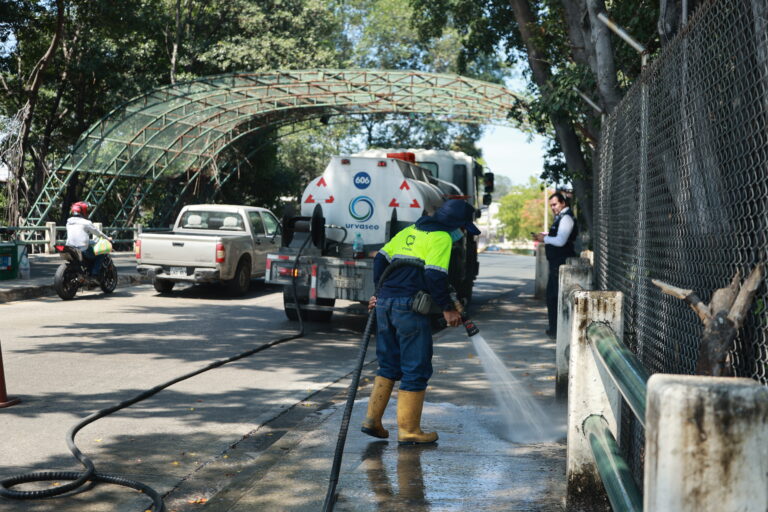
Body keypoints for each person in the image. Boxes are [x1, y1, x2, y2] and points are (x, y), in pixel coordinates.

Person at [362, 199, 480, 445]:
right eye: (463, 229)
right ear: (456, 224)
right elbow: (435, 275)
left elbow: (380, 259)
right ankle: (409, 431)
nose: (462, 235)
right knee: (416, 367)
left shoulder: (410, 231)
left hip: (385, 305)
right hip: (409, 307)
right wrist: (448, 309)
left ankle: (372, 421)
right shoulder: (442, 238)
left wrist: (379, 292)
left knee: (388, 365)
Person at [533, 192, 578, 338]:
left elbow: (560, 241)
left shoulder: (566, 218)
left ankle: (558, 331)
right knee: (552, 297)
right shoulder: (560, 218)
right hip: (556, 263)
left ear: (563, 203)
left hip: (562, 262)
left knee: (556, 297)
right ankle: (555, 329)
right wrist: (545, 236)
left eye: (555, 204)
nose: (553, 207)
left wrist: (544, 238)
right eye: (551, 205)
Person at [65, 201, 111, 277]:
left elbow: (78, 237)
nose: (88, 213)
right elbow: (98, 233)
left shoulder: (68, 222)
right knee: (101, 255)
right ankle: (94, 274)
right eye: (87, 211)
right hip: (82, 249)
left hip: (70, 248)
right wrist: (107, 238)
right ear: (83, 211)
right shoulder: (86, 223)